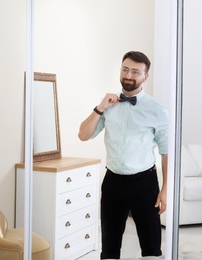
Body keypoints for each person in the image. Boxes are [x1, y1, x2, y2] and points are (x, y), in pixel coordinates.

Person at [78, 51, 168, 259]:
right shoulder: (108, 105)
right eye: (125, 69)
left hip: (144, 183)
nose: (129, 75)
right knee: (109, 248)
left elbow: (166, 152)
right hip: (113, 183)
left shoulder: (158, 109)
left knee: (151, 246)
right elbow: (83, 135)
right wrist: (100, 107)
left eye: (135, 71)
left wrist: (165, 190)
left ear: (145, 77)